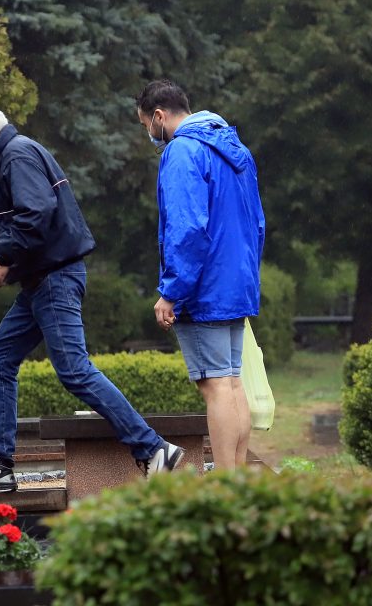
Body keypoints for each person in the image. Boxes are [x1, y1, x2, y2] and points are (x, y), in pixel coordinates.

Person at [0, 100, 185, 493]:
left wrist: (3, 260)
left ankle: (153, 448)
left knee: (74, 369)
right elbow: (13, 224)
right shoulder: (6, 159)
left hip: (54, 278)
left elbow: (35, 214)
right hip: (40, 280)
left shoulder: (17, 154)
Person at [136, 80, 265, 469]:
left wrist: (171, 291)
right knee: (232, 382)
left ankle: (224, 486)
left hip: (203, 289)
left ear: (159, 116)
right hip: (235, 284)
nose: (148, 134)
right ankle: (237, 478)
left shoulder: (182, 151)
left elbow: (187, 227)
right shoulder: (236, 149)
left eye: (145, 125)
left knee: (214, 387)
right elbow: (257, 223)